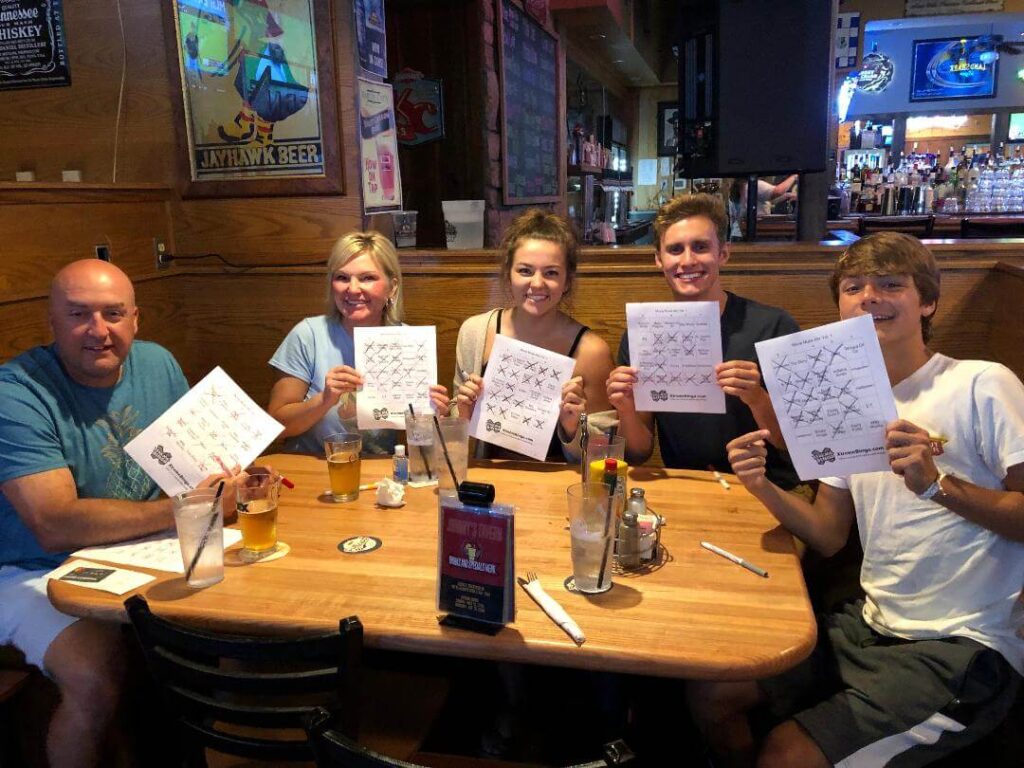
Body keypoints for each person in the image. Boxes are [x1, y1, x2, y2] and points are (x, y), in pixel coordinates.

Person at [690, 232, 1024, 768]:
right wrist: (763, 486)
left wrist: (941, 487)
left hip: (963, 646)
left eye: (891, 284)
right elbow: (827, 532)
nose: (870, 297)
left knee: (785, 755)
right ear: (841, 307)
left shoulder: (981, 383)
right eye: (854, 287)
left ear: (928, 301)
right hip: (869, 624)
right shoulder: (845, 402)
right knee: (713, 693)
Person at [0, 260, 242, 768]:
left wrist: (231, 483)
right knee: (95, 674)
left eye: (113, 314)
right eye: (79, 314)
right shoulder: (13, 392)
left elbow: (195, 465)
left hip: (135, 553)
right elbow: (53, 524)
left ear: (137, 319)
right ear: (52, 321)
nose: (99, 331)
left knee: (237, 617)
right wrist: (186, 507)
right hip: (31, 570)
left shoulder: (157, 363)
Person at [606, 194, 799, 488]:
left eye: (700, 247)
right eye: (674, 249)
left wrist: (757, 398)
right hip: (688, 486)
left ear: (723, 253)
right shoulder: (643, 336)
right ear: (659, 259)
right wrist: (626, 409)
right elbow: (640, 452)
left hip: (771, 491)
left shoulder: (773, 326)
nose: (687, 261)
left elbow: (795, 444)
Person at [453, 209, 615, 460]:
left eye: (551, 272)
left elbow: (602, 457)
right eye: (525, 271)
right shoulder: (475, 333)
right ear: (508, 274)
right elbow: (458, 440)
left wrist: (573, 427)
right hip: (488, 483)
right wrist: (462, 413)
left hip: (559, 489)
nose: (537, 284)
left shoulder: (592, 352)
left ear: (567, 281)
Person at [269, 231, 447, 455]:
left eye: (367, 278)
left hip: (379, 471)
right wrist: (324, 400)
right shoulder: (308, 335)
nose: (352, 289)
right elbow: (276, 426)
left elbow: (425, 445)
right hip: (313, 466)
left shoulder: (409, 343)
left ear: (392, 287)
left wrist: (435, 415)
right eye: (342, 278)